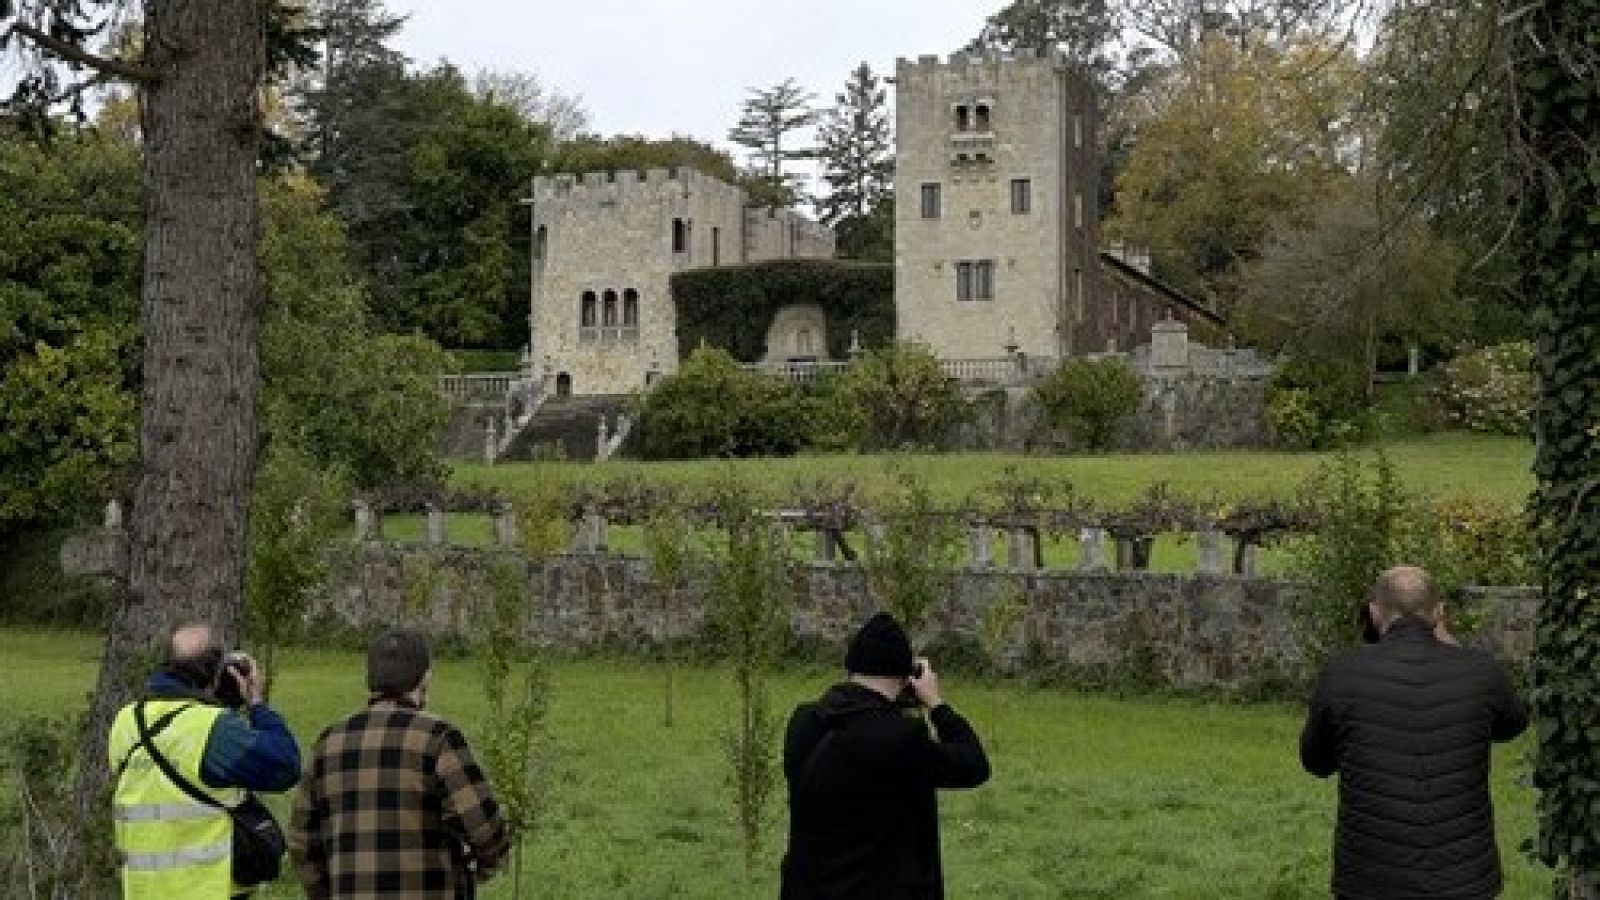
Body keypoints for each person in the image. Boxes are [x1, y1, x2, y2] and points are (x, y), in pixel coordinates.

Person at [1301, 566, 1529, 899]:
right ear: (1439, 613)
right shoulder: (1481, 671)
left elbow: (1316, 762)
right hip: (1463, 878)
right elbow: (1513, 725)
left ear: (1374, 611)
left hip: (1370, 878)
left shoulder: (1341, 672)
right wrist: (1454, 647)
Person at [781, 612, 990, 900]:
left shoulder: (804, 722)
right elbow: (973, 766)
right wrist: (937, 704)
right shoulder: (900, 738)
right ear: (906, 677)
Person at [289, 629, 511, 898]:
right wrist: (481, 869)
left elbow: (302, 843)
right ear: (425, 679)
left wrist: (325, 892)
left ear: (370, 680)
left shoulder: (328, 742)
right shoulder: (438, 738)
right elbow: (484, 828)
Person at [107, 623, 301, 899]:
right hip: (205, 889)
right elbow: (285, 765)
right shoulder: (213, 729)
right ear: (217, 672)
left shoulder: (126, 721)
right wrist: (256, 702)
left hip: (142, 890)